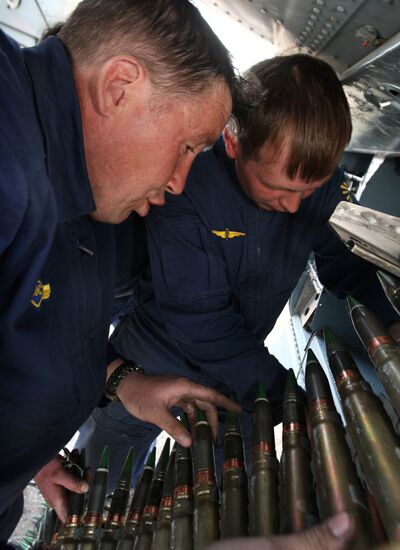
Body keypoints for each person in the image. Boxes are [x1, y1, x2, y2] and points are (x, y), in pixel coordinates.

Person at [77, 54, 399, 491]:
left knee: (237, 490)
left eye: (307, 191)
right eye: (280, 189)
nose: (293, 206)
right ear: (233, 142)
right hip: (150, 360)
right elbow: (200, 319)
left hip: (240, 365)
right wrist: (289, 396)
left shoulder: (315, 188)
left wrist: (391, 319)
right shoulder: (184, 183)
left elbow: (347, 266)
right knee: (97, 487)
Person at [0, 0, 242, 538]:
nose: (180, 181)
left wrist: (121, 382)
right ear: (119, 87)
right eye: (185, 147)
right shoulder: (9, 152)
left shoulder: (85, 197)